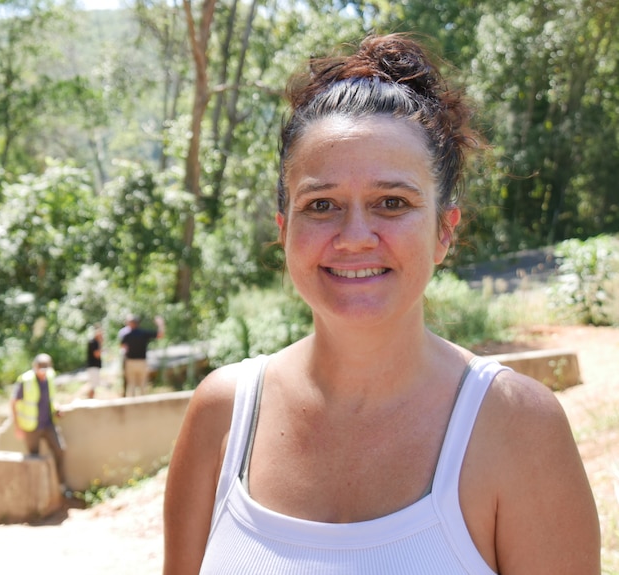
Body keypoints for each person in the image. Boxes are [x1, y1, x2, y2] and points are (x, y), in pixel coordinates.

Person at [163, 33, 600, 574]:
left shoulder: (518, 427)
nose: (354, 236)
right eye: (321, 205)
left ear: (445, 232)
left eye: (392, 203)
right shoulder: (221, 416)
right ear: (284, 231)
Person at [11, 353, 68, 495]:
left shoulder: (50, 377)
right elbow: (13, 403)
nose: (43, 371)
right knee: (34, 458)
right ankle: (36, 492)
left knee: (60, 450)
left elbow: (51, 398)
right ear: (35, 367)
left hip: (48, 423)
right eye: (40, 368)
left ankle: (61, 486)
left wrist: (57, 407)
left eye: (46, 368)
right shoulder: (26, 380)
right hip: (31, 427)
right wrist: (17, 426)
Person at [118, 314, 165, 397]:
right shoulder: (143, 333)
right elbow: (160, 335)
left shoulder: (126, 335)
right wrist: (161, 324)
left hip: (131, 362)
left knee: (131, 385)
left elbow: (122, 347)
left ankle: (131, 406)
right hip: (141, 362)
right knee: (142, 385)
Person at [86, 324, 104, 399]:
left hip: (95, 366)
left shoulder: (95, 342)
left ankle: (91, 398)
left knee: (94, 384)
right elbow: (97, 354)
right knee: (93, 385)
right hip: (92, 366)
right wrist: (100, 343)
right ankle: (89, 398)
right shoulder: (93, 342)